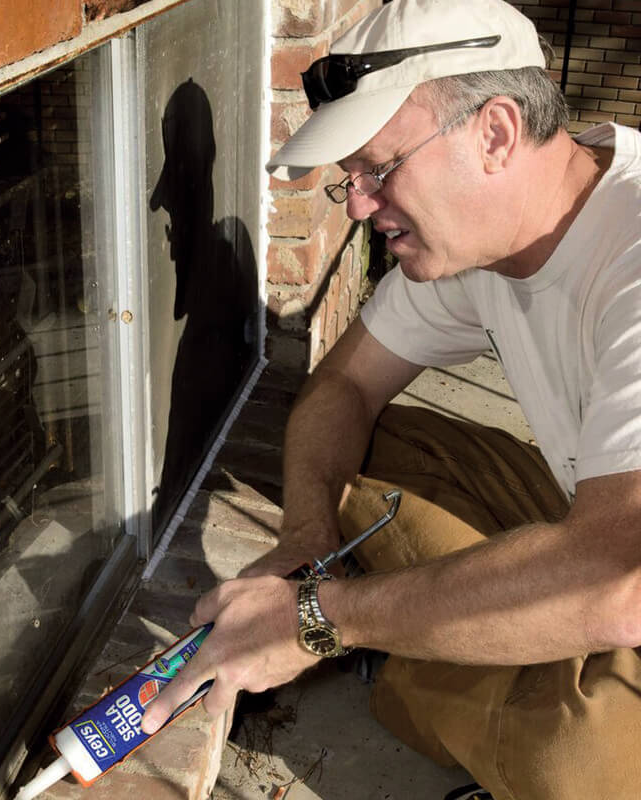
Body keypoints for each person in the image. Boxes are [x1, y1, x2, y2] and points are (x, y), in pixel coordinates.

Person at [141, 0, 641, 797]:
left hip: (626, 569)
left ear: (496, 133)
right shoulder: (490, 239)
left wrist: (318, 620)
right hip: (606, 518)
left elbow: (621, 582)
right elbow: (343, 383)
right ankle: (452, 649)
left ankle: (451, 672)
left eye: (379, 170)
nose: (363, 206)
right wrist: (306, 539)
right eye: (353, 181)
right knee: (370, 449)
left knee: (578, 765)